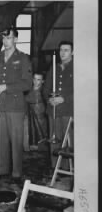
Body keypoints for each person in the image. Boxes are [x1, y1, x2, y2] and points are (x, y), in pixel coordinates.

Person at [0, 28, 33, 182]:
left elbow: (27, 83)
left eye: (9, 38)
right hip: (0, 104)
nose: (5, 41)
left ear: (16, 40)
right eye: (4, 38)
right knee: (1, 140)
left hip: (15, 105)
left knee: (16, 139)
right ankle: (3, 169)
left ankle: (16, 173)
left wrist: (7, 87)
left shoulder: (23, 58)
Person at [43, 41, 74, 171]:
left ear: (72, 52)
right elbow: (45, 88)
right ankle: (55, 166)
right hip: (53, 110)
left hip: (68, 110)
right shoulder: (54, 67)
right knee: (54, 139)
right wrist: (49, 99)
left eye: (66, 50)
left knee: (68, 140)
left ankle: (67, 167)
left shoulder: (76, 67)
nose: (63, 52)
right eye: (61, 50)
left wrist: (64, 98)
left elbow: (81, 89)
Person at [25, 73, 48, 150]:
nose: (35, 81)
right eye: (34, 79)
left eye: (38, 79)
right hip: (30, 116)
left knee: (41, 134)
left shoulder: (44, 91)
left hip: (40, 116)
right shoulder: (28, 89)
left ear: (42, 81)